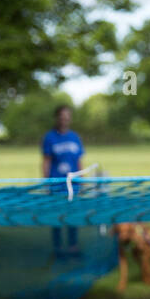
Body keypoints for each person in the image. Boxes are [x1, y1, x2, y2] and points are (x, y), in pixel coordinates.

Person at [42, 105, 84, 257]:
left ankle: (73, 247)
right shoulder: (50, 137)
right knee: (57, 217)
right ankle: (58, 249)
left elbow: (79, 161)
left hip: (73, 185)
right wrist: (46, 182)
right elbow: (46, 161)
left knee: (73, 216)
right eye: (62, 116)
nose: (64, 119)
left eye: (67, 116)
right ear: (57, 118)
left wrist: (82, 181)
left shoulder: (75, 137)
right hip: (56, 184)